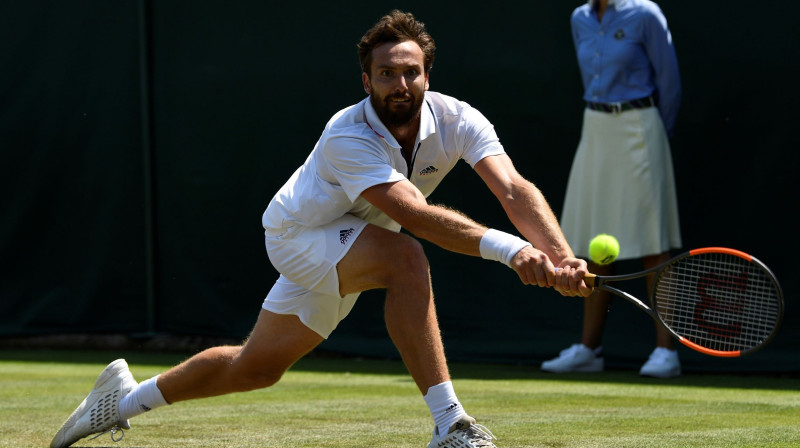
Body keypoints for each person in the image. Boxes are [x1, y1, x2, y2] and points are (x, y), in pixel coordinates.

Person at [50, 10, 592, 448]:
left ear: (428, 75)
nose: (400, 84)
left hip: (353, 239)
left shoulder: (459, 119)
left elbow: (514, 189)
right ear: (367, 80)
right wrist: (512, 251)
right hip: (297, 235)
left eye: (410, 72)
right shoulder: (347, 134)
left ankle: (118, 401)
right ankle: (451, 424)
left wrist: (561, 256)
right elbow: (412, 214)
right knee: (405, 258)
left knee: (255, 368)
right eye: (386, 74)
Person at [540, 0, 682, 378]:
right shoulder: (580, 18)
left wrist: (656, 137)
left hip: (640, 128)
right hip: (596, 129)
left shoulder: (645, 13)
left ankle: (666, 352)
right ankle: (589, 349)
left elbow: (669, 81)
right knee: (596, 244)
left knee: (653, 243)